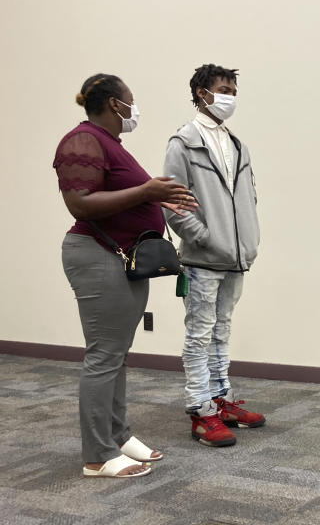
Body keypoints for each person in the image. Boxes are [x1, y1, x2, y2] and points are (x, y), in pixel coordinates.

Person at [55, 73, 196, 478]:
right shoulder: (81, 140)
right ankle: (98, 455)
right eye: (131, 101)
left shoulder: (111, 144)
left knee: (116, 355)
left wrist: (160, 196)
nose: (135, 109)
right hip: (97, 255)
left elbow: (131, 196)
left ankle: (118, 434)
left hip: (121, 258)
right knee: (103, 357)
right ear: (115, 104)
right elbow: (79, 204)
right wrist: (148, 193)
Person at [163, 64, 263, 447]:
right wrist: (204, 237)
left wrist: (248, 241)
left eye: (234, 91)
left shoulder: (237, 144)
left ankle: (220, 399)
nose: (229, 97)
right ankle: (200, 411)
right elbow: (172, 203)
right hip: (204, 258)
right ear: (202, 93)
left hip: (237, 257)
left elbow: (249, 198)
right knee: (199, 334)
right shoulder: (183, 142)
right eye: (223, 89)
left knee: (222, 330)